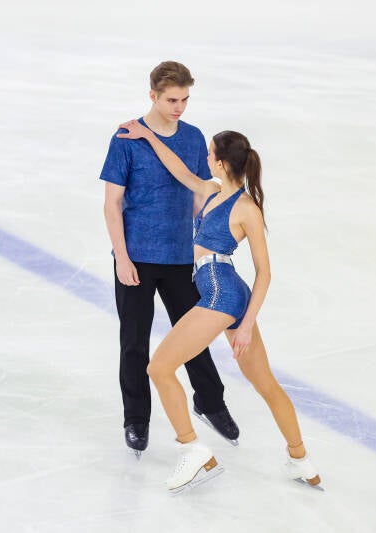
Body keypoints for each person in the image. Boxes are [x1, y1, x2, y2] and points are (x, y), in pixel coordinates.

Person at [116, 118, 322, 493]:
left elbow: (265, 273)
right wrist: (147, 135)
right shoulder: (211, 191)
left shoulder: (247, 209)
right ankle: (300, 461)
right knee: (265, 383)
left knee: (159, 368)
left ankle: (193, 450)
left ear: (223, 162)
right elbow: (178, 170)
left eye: (211, 153)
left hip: (220, 292)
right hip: (226, 289)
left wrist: (245, 325)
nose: (206, 158)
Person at [99, 61, 240, 459]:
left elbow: (198, 191)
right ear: (153, 97)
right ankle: (136, 420)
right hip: (137, 258)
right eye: (172, 100)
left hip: (181, 257)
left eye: (185, 99)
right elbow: (111, 205)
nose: (179, 107)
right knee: (134, 344)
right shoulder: (126, 139)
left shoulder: (194, 138)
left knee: (193, 337)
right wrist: (122, 258)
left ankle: (211, 403)